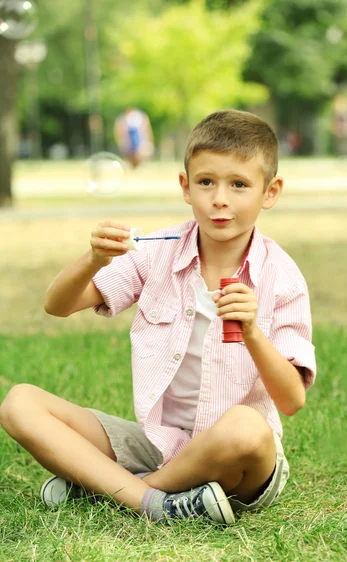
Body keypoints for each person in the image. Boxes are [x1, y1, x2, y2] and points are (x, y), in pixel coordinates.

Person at [0, 110, 316, 525]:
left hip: (236, 461)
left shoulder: (282, 277)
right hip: (159, 442)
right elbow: (57, 305)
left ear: (269, 192)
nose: (220, 198)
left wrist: (254, 333)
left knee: (247, 426)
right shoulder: (155, 251)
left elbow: (292, 401)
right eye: (206, 182)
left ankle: (117, 489)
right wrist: (92, 259)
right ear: (186, 187)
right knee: (19, 403)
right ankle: (157, 503)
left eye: (239, 184)